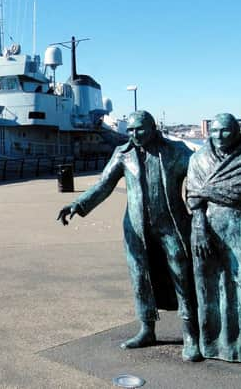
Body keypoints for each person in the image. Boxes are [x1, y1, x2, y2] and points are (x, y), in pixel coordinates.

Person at [57, 110, 201, 361]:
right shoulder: (123, 154)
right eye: (131, 130)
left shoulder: (176, 151)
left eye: (140, 129)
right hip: (136, 228)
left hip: (172, 225)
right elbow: (104, 185)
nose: (134, 134)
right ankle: (147, 330)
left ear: (153, 128)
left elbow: (201, 176)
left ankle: (191, 335)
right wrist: (78, 205)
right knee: (140, 278)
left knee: (182, 276)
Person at [186, 113, 241, 371]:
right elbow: (192, 196)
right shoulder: (198, 159)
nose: (219, 136)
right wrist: (199, 224)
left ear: (236, 132)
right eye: (214, 131)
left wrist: (205, 191)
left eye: (225, 131)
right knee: (210, 288)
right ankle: (214, 344)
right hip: (205, 230)